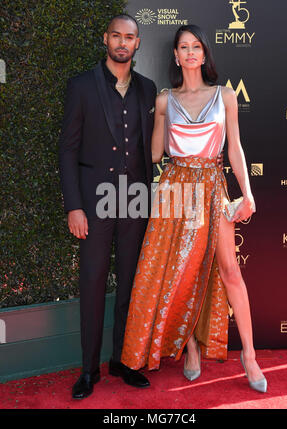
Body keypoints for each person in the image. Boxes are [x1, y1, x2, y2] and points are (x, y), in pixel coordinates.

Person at [121, 24, 267, 393]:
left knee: (230, 269)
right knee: (180, 272)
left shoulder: (225, 95)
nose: (189, 52)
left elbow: (234, 148)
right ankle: (191, 350)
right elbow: (156, 154)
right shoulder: (165, 100)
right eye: (183, 47)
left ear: (204, 54)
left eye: (195, 46)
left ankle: (249, 355)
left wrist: (246, 193)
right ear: (175, 55)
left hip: (212, 186)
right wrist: (155, 118)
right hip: (175, 189)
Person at [59, 14, 157, 399]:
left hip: (136, 202)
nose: (122, 42)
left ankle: (122, 360)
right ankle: (88, 369)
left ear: (137, 43)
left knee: (132, 283)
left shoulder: (149, 90)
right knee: (93, 282)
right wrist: (74, 206)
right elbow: (67, 150)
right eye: (116, 35)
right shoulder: (81, 86)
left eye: (129, 37)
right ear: (105, 39)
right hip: (95, 204)